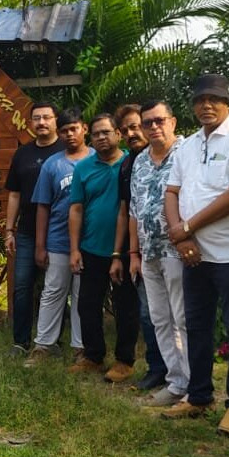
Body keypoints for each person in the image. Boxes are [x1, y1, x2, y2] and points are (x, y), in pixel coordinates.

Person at [162, 74, 229, 437]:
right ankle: (199, 395)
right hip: (193, 254)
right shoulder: (186, 145)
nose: (206, 105)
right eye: (200, 99)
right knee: (197, 326)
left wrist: (187, 228)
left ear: (227, 103)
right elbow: (172, 191)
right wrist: (180, 236)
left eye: (214, 99)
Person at [130, 101, 189, 408]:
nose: (153, 127)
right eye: (148, 123)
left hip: (176, 250)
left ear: (173, 122)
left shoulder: (187, 153)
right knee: (159, 319)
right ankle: (176, 382)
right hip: (148, 251)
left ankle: (194, 385)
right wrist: (132, 252)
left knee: (181, 317)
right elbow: (133, 210)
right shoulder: (140, 160)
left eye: (159, 121)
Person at [23, 109, 91, 367]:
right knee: (53, 292)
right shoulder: (53, 164)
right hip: (59, 242)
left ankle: (81, 347)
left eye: (74, 128)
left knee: (82, 294)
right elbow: (42, 206)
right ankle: (43, 345)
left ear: (83, 128)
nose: (70, 134)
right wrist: (40, 246)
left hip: (90, 242)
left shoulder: (98, 159)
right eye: (64, 131)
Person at [69, 114, 132, 375]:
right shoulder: (83, 168)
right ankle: (93, 356)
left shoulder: (131, 163)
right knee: (87, 304)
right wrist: (74, 249)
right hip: (91, 247)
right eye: (96, 134)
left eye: (106, 132)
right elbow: (76, 209)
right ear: (90, 138)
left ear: (118, 133)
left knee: (125, 305)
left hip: (126, 248)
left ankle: (124, 361)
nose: (102, 137)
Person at [110, 103, 166, 389]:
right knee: (148, 313)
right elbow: (126, 211)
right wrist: (120, 254)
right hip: (139, 251)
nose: (132, 133)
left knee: (172, 314)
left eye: (136, 126)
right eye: (126, 129)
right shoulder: (128, 165)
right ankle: (157, 369)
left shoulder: (169, 156)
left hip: (172, 250)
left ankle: (178, 374)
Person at [4, 101, 63, 358]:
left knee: (58, 288)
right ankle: (20, 341)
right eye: (36, 118)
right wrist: (9, 229)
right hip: (27, 231)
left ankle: (54, 340)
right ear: (30, 123)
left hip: (60, 232)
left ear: (55, 120)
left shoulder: (67, 150)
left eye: (46, 117)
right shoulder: (22, 154)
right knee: (22, 286)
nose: (41, 122)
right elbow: (14, 195)